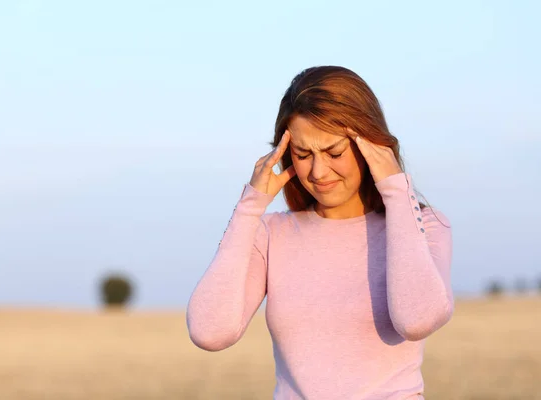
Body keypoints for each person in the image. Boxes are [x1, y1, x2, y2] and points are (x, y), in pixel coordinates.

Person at [186, 65, 453, 400]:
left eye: (334, 152)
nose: (318, 171)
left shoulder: (424, 226)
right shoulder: (271, 234)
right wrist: (249, 207)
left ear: (370, 143)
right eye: (302, 154)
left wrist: (396, 191)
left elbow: (418, 319)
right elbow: (210, 331)